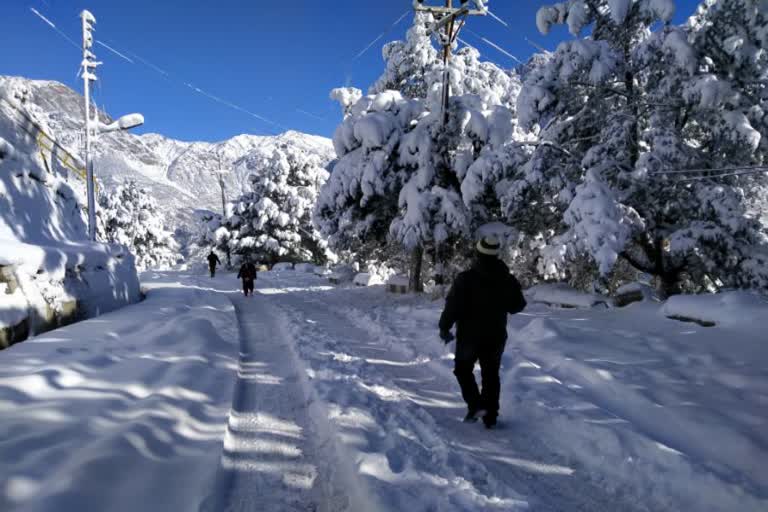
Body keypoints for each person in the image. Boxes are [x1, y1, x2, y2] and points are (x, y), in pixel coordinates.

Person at [438, 236, 527, 429]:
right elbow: (518, 305)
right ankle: (490, 416)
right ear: (497, 254)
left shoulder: (466, 279)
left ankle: (477, 405)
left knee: (462, 370)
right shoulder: (507, 279)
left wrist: (444, 327)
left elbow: (452, 306)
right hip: (496, 336)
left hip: (469, 336)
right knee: (491, 374)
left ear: (478, 253)